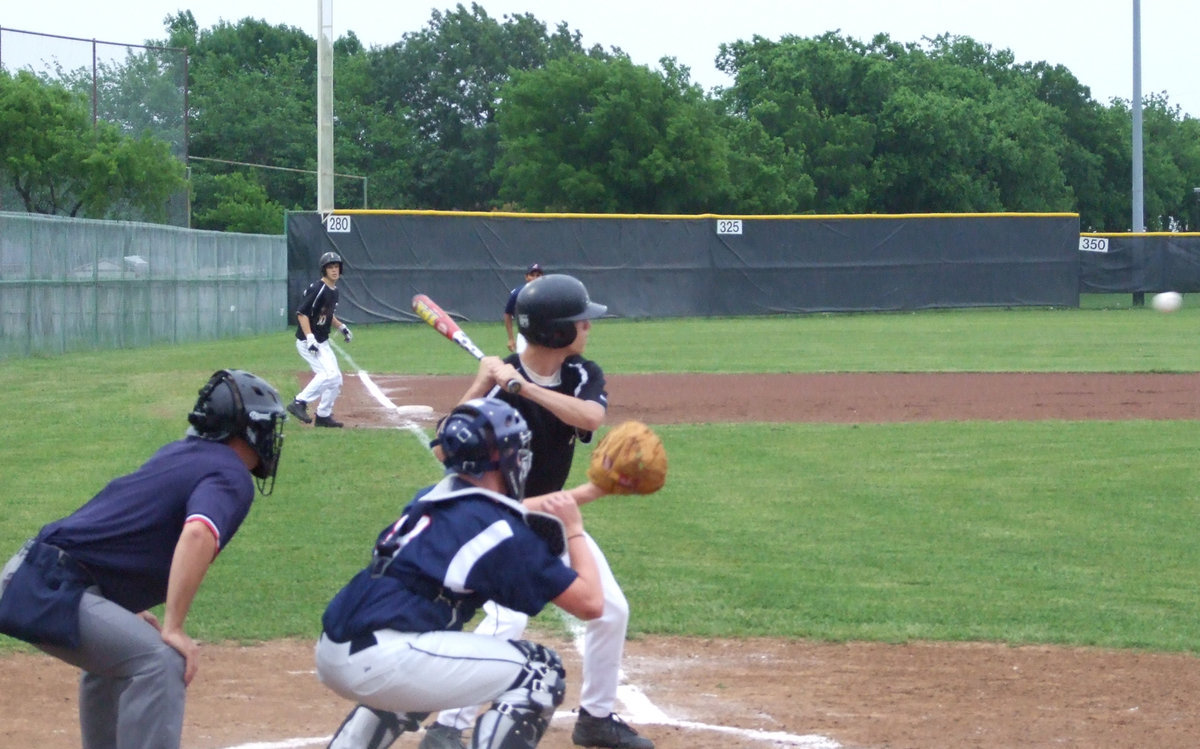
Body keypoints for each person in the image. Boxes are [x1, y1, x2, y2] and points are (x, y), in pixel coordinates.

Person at [422, 273, 653, 749]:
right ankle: (447, 725)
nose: (588, 327)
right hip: (502, 523)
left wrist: (523, 389)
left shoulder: (580, 374)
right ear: (556, 331)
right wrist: (483, 381)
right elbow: (445, 451)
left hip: (549, 517)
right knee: (507, 621)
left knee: (611, 610)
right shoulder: (498, 379)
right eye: (580, 321)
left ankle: (596, 719)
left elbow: (589, 417)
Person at [0, 369, 288, 749]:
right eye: (266, 427)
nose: (271, 438)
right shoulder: (230, 473)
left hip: (41, 574)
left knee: (122, 660)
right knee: (161, 661)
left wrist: (120, 607)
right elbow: (199, 532)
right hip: (53, 584)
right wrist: (174, 625)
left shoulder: (180, 454)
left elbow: (112, 522)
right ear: (244, 430)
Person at [315, 397, 605, 749]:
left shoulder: (433, 498)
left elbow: (502, 510)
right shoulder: (499, 533)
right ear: (499, 459)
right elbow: (590, 603)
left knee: (417, 686)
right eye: (516, 450)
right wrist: (574, 528)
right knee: (540, 671)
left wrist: (589, 493)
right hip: (384, 658)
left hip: (337, 649)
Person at [288, 250, 353, 428]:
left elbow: (327, 315)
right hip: (308, 342)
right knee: (326, 375)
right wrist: (309, 338)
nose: (334, 270)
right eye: (330, 267)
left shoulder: (334, 291)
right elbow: (302, 313)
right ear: (323, 270)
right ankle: (299, 402)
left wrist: (341, 327)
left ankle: (323, 415)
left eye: (336, 266)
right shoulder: (318, 289)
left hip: (321, 341)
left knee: (336, 379)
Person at [504, 262, 544, 353]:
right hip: (524, 334)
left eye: (538, 275)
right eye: (532, 275)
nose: (535, 278)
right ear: (526, 277)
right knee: (522, 362)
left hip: (544, 334)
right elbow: (507, 314)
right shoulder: (518, 293)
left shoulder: (548, 294)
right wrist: (510, 338)